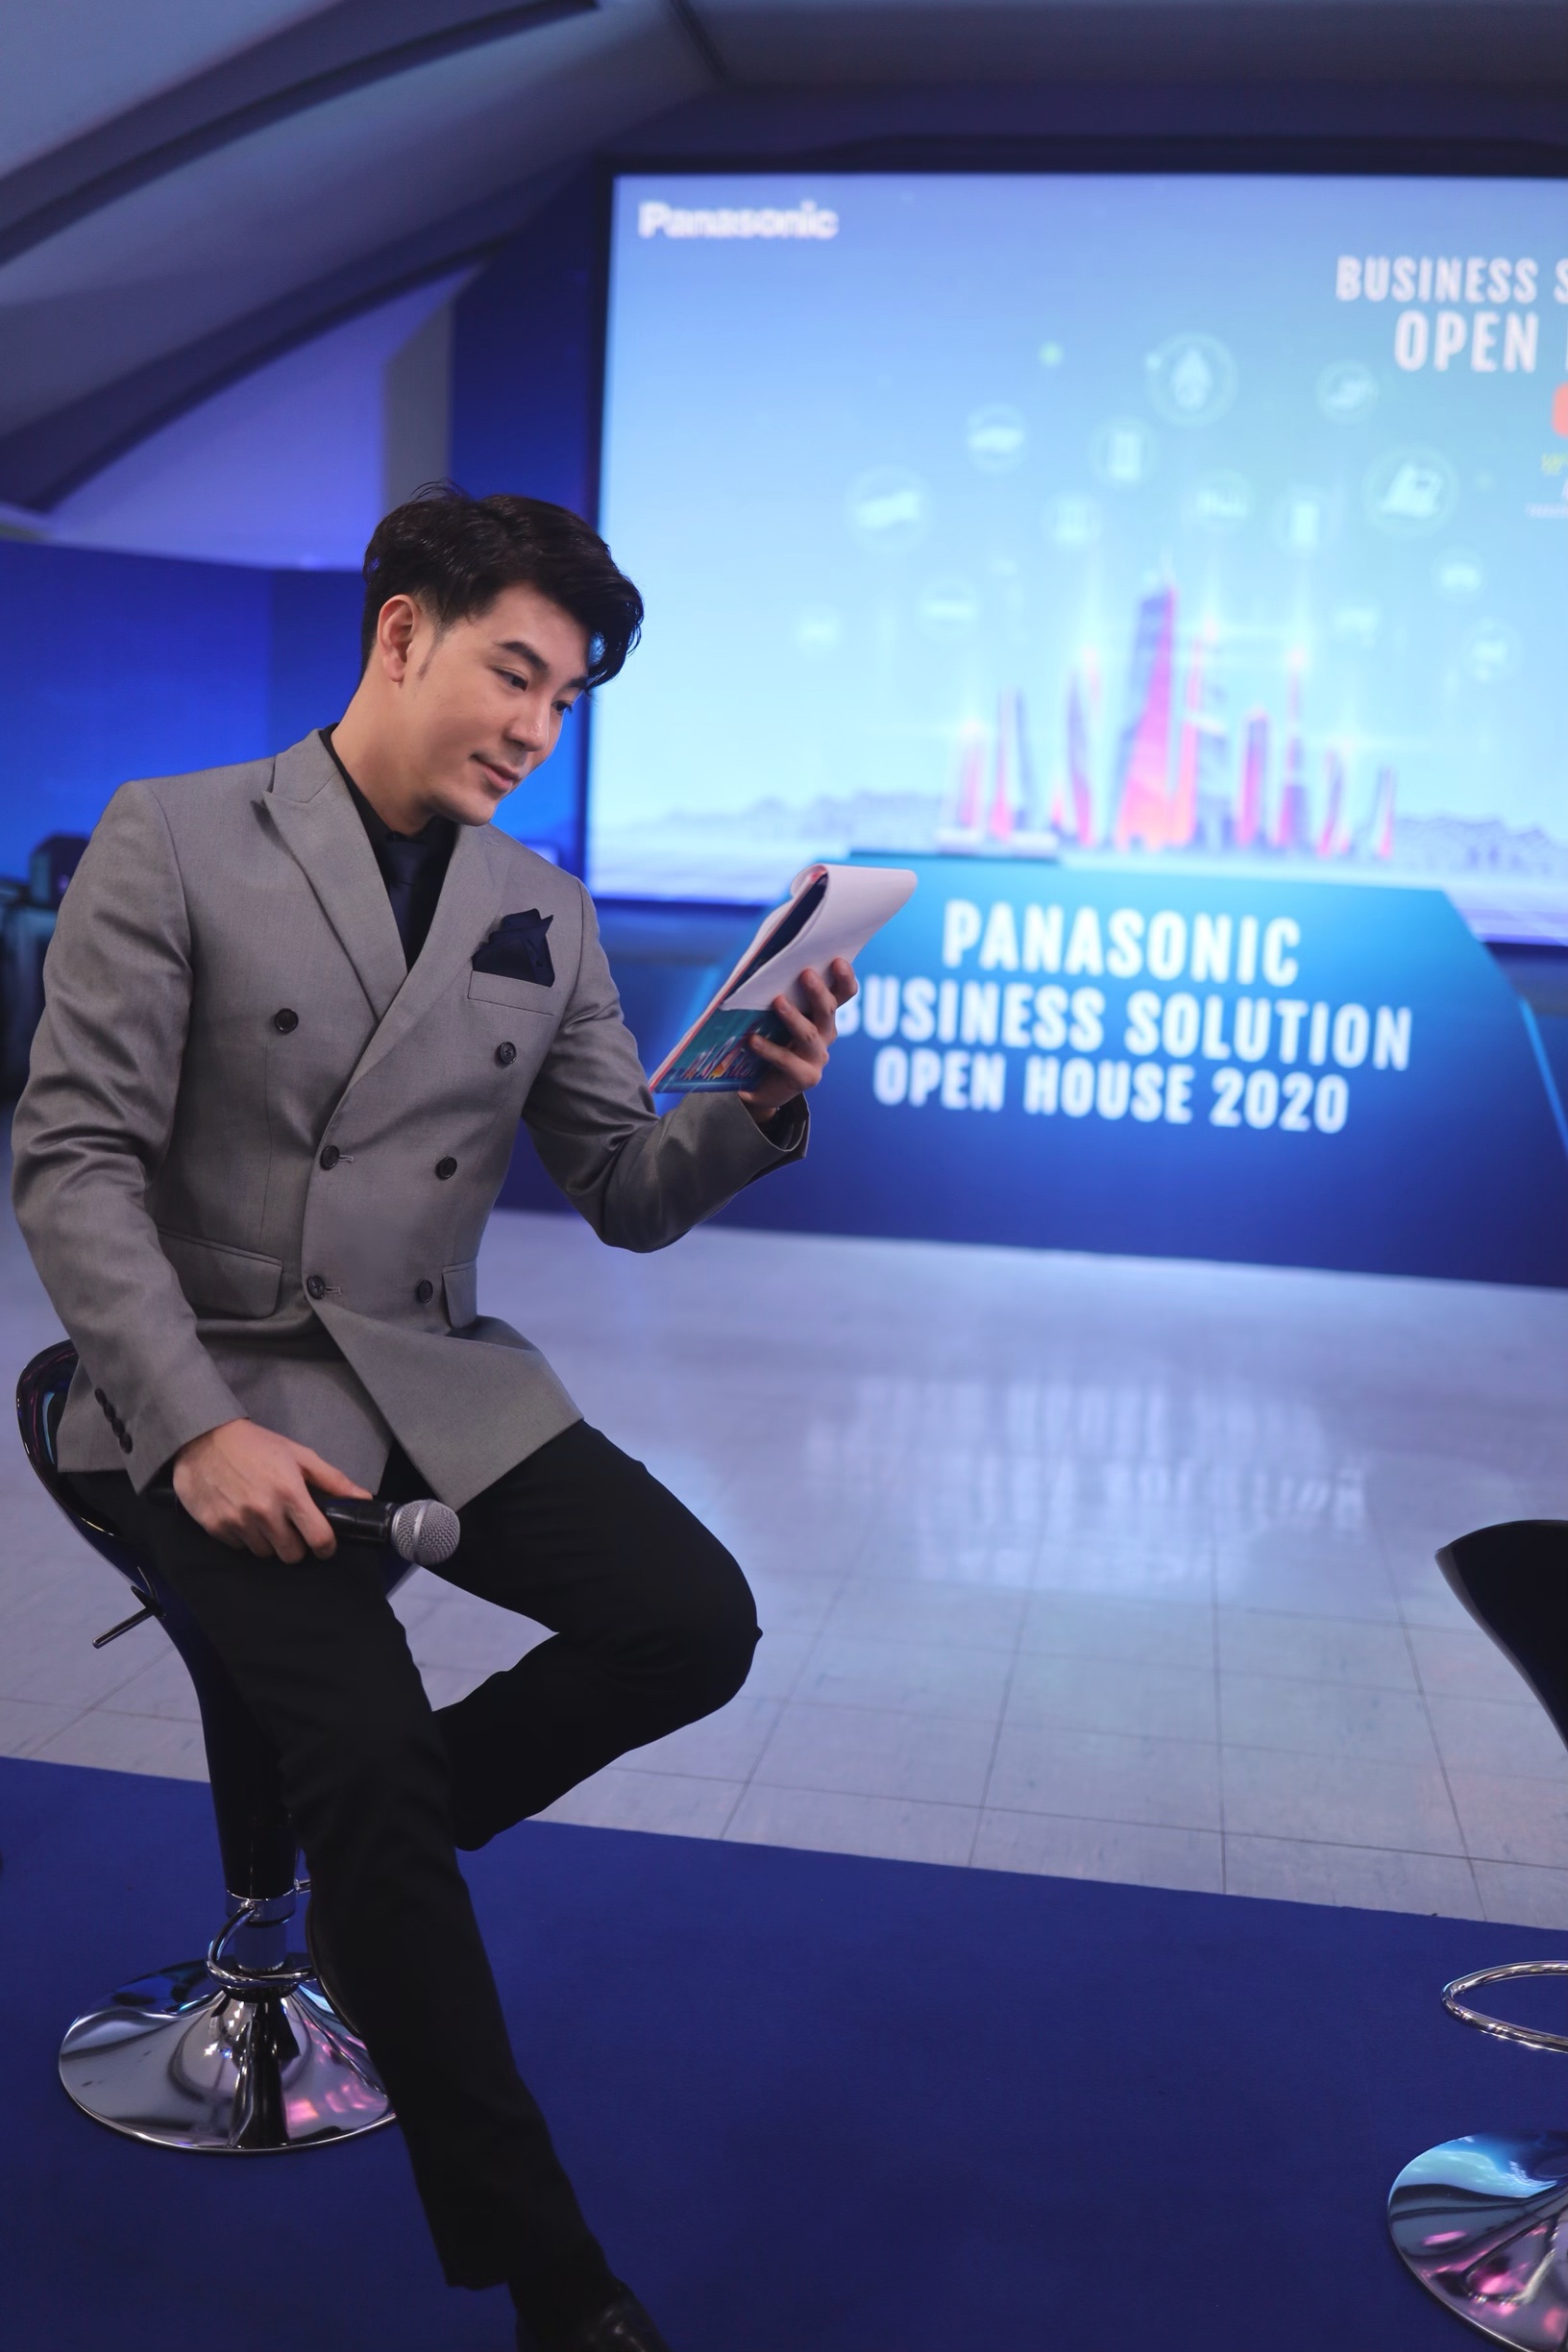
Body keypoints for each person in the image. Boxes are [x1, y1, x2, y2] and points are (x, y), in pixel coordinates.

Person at [11, 486, 856, 2351]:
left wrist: (755, 1107)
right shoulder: (175, 837)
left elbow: (624, 1190)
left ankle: (371, 1862)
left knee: (692, 1620)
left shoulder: (540, 907)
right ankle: (558, 2280)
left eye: (565, 701)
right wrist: (195, 1430)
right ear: (401, 631)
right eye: (515, 673)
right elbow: (72, 1165)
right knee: (370, 1771)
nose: (537, 727)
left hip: (435, 1376)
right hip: (201, 1388)